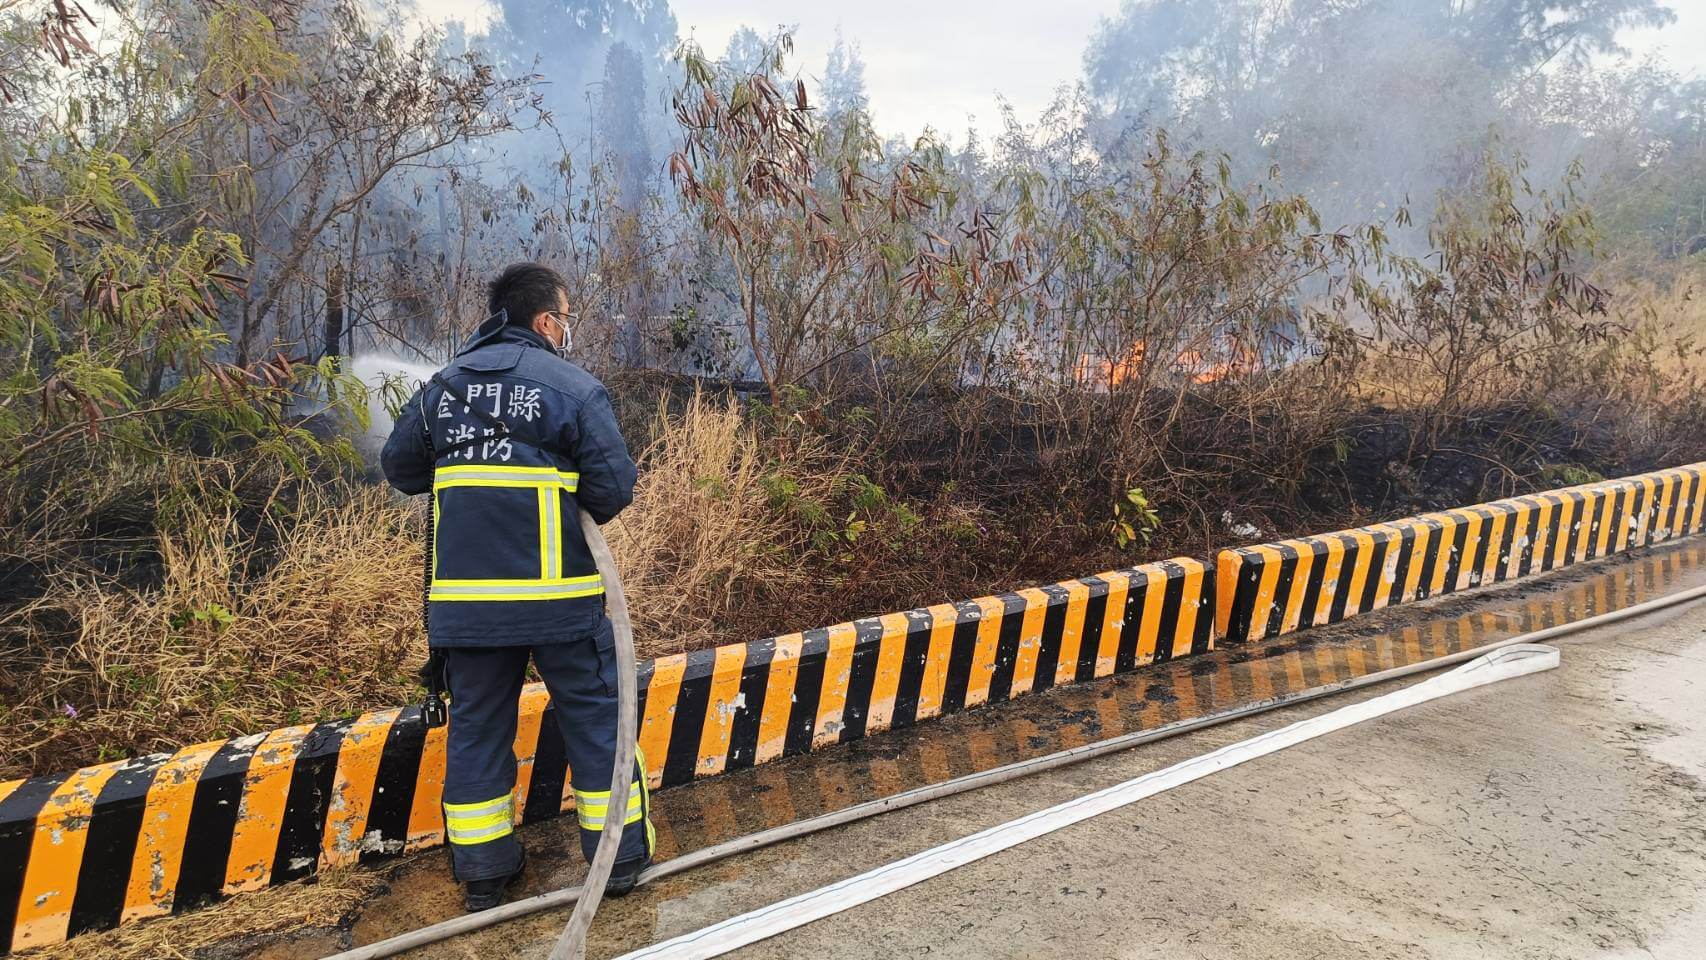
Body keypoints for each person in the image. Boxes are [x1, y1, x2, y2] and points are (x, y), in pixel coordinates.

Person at [381, 262, 654, 912]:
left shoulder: (441, 390)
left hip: (468, 611)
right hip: (562, 604)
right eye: (565, 319)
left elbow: (401, 466)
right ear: (544, 322)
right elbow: (613, 487)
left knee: (477, 728)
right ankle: (616, 862)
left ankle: (484, 874)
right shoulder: (574, 389)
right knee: (597, 723)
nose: (567, 331)